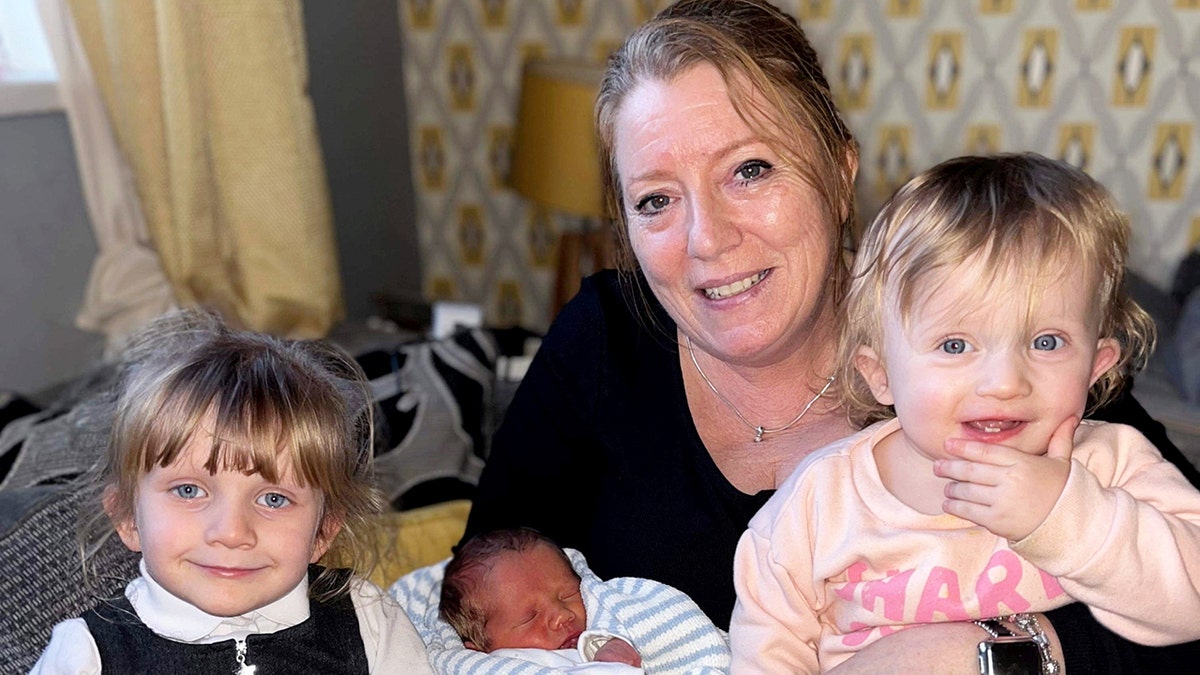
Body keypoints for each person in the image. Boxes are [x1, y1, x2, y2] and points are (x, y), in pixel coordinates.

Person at [465, 0, 1200, 671]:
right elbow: (472, 601)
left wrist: (981, 652)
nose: (707, 239)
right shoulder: (603, 340)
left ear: (840, 171)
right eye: (656, 199)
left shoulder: (1005, 341)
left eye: (750, 169)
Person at [729, 152, 1200, 672]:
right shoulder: (818, 506)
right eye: (955, 346)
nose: (1003, 384)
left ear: (1097, 365)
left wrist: (1067, 516)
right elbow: (766, 654)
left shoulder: (1111, 466)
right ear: (880, 372)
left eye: (1046, 341)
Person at [29, 310, 434, 674]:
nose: (232, 532)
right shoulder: (88, 654)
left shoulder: (368, 621)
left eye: (273, 499)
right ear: (126, 517)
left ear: (324, 531)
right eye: (189, 490)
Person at [440, 528, 643, 671]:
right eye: (530, 617)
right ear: (481, 649)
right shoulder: (500, 666)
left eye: (568, 595)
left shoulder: (607, 628)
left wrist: (615, 649)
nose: (563, 615)